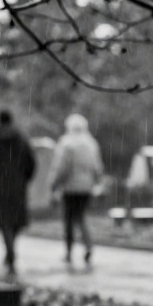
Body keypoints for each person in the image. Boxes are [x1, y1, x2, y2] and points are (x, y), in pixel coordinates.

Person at [0, 110, 37, 274]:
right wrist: (25, 178)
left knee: (4, 221)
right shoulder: (21, 138)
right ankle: (11, 248)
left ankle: (10, 250)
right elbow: (31, 162)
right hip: (18, 185)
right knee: (16, 221)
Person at [49, 113, 102, 264]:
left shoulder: (67, 144)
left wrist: (54, 184)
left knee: (69, 219)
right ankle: (88, 245)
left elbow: (61, 168)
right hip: (86, 188)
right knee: (81, 217)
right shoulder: (91, 144)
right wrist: (96, 183)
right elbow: (97, 167)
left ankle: (68, 251)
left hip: (70, 188)